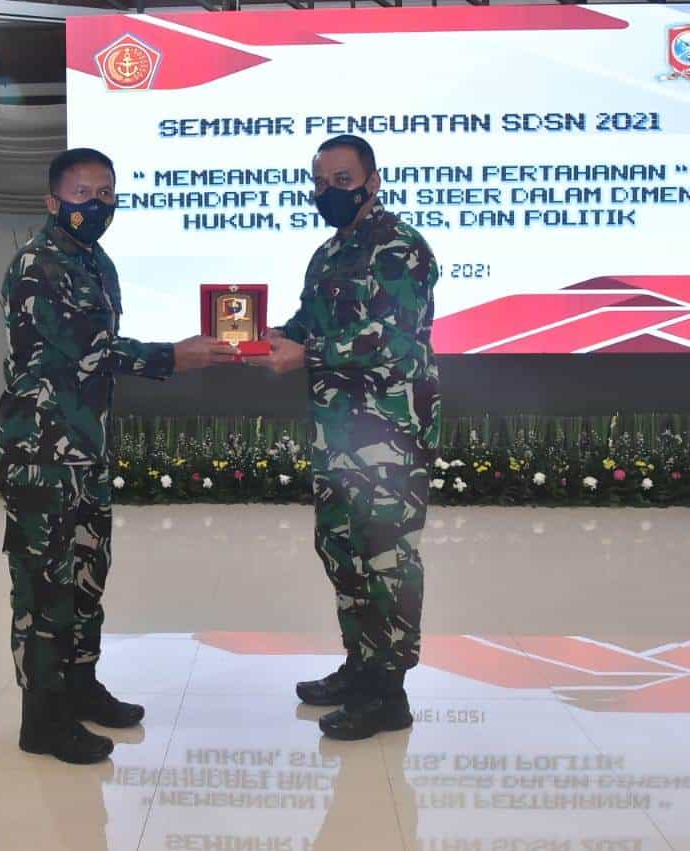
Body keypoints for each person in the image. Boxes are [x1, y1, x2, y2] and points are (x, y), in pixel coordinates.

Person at [0, 148, 223, 764]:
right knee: (44, 587)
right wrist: (173, 356)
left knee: (87, 576)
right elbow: (86, 349)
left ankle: (80, 686)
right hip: (41, 452)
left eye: (106, 194)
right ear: (52, 202)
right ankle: (42, 718)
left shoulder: (95, 261)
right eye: (82, 193)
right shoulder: (38, 265)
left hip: (84, 447)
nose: (95, 205)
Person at [229, 135, 440, 740]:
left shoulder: (400, 249)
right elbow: (307, 323)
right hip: (337, 429)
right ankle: (360, 666)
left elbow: (394, 340)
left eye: (342, 181)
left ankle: (389, 692)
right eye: (320, 182)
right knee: (340, 549)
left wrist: (307, 352)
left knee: (387, 558)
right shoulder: (327, 254)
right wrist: (263, 337)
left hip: (389, 434)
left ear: (373, 181)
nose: (329, 193)